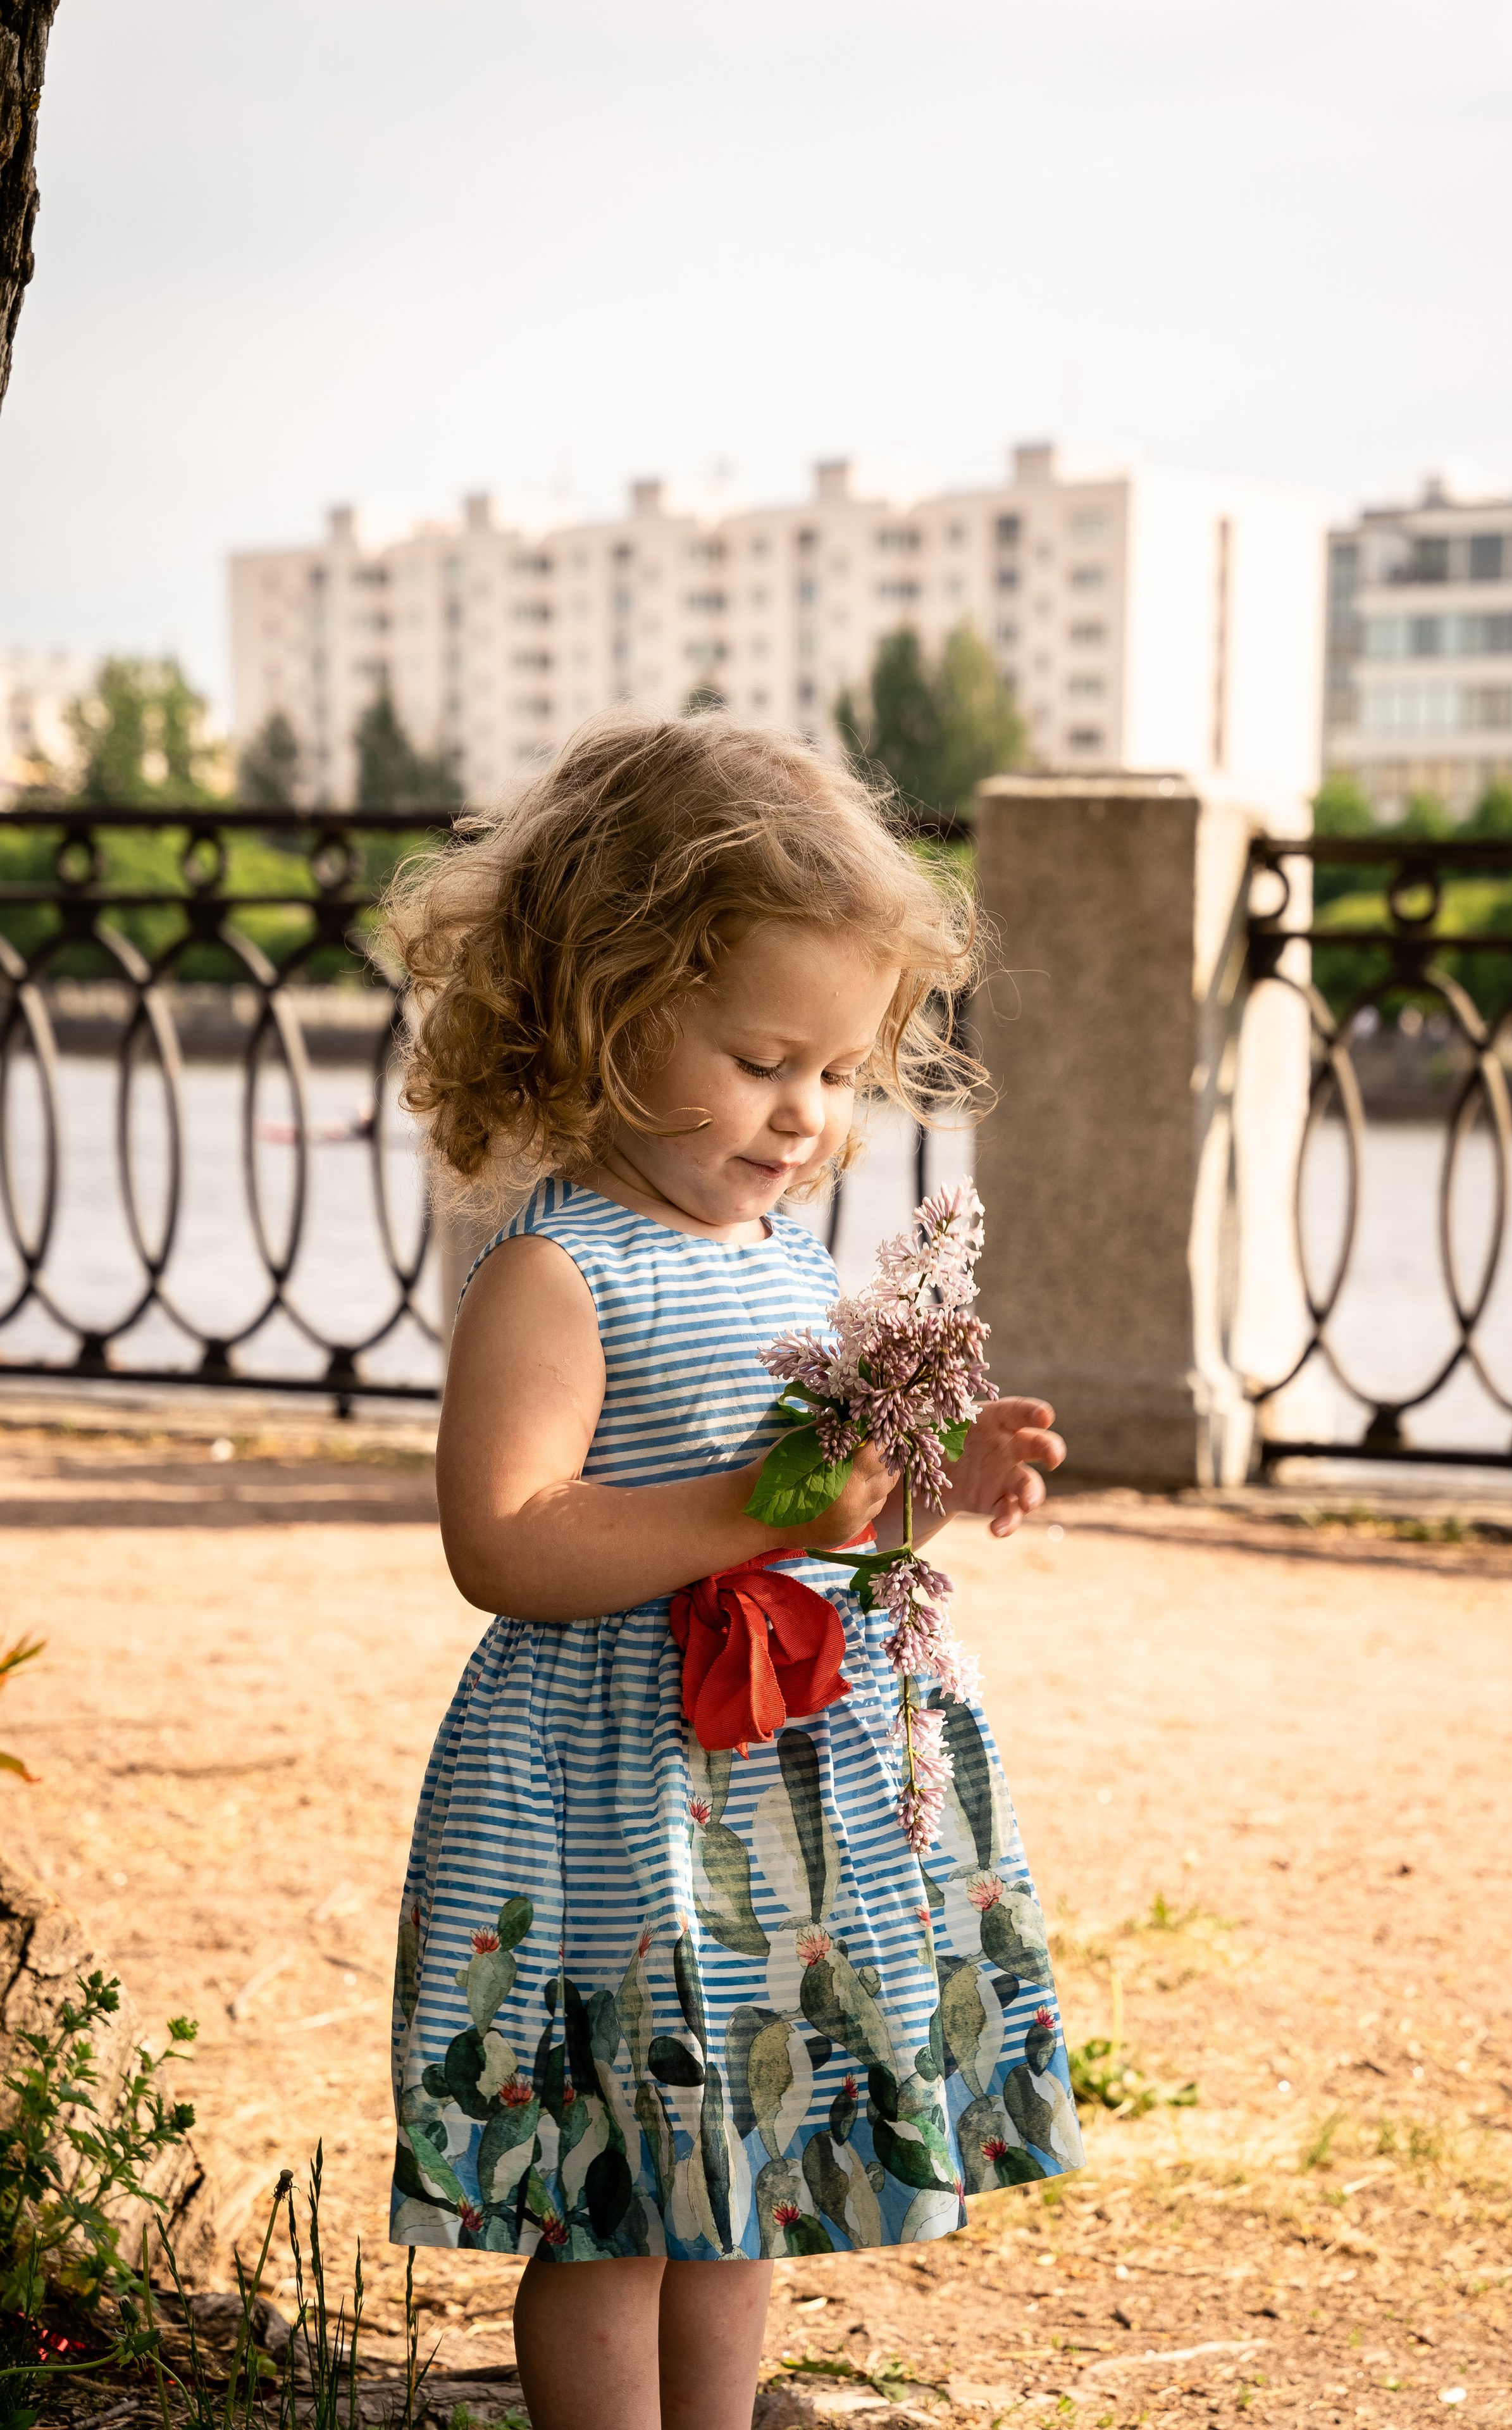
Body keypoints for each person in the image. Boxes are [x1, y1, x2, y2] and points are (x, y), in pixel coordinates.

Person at [385, 713, 1082, 2430]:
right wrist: (769, 1502)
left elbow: (826, 1510)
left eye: (840, 1075)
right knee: (623, 2187)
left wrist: (932, 1484)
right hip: (618, 1792)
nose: (808, 1115)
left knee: (744, 2162)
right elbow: (509, 1537)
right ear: (615, 1021)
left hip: (775, 1787)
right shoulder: (558, 1274)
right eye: (768, 1059)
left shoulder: (784, 1254)